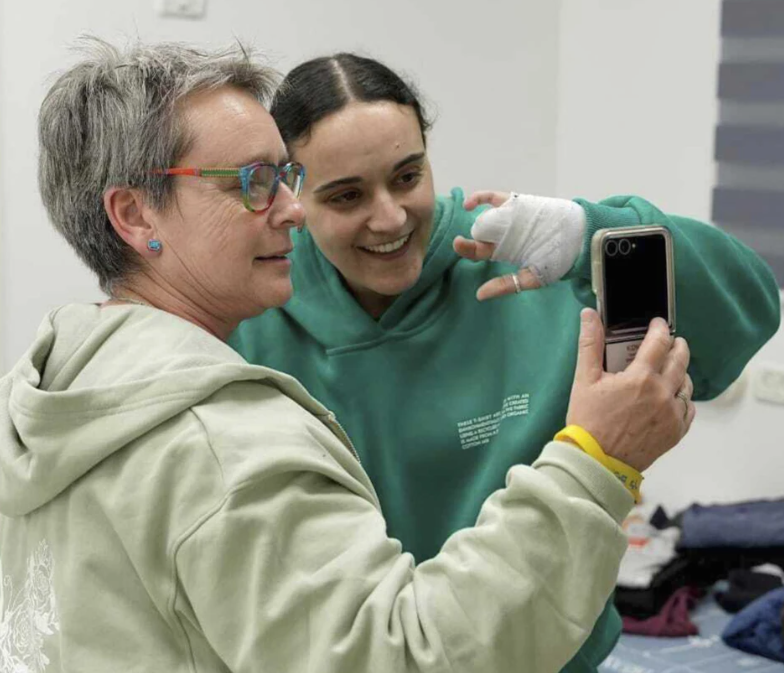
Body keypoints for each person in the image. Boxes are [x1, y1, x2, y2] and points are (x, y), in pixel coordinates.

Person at [0, 39, 695, 673]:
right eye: (251, 183)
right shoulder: (221, 445)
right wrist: (594, 461)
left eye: (285, 179)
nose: (292, 211)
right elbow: (405, 655)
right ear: (135, 215)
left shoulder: (52, 390)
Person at [229, 53, 782, 672]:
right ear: (291, 194)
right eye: (347, 195)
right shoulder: (252, 313)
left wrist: (589, 234)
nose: (388, 218)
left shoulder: (522, 256)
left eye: (408, 176)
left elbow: (749, 312)